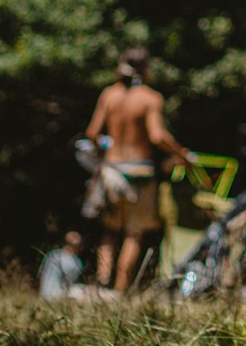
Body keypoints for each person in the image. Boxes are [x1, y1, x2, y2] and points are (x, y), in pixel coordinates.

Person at [85, 46, 193, 292]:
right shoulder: (150, 98)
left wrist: (105, 146)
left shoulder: (109, 95)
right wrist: (181, 152)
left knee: (110, 231)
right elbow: (157, 136)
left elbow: (92, 133)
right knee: (133, 234)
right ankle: (119, 293)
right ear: (147, 69)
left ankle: (103, 285)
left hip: (111, 171)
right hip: (139, 175)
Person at [38, 230, 85, 300]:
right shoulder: (75, 262)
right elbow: (69, 283)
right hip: (58, 296)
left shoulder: (52, 254)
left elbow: (40, 274)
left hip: (44, 295)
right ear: (78, 246)